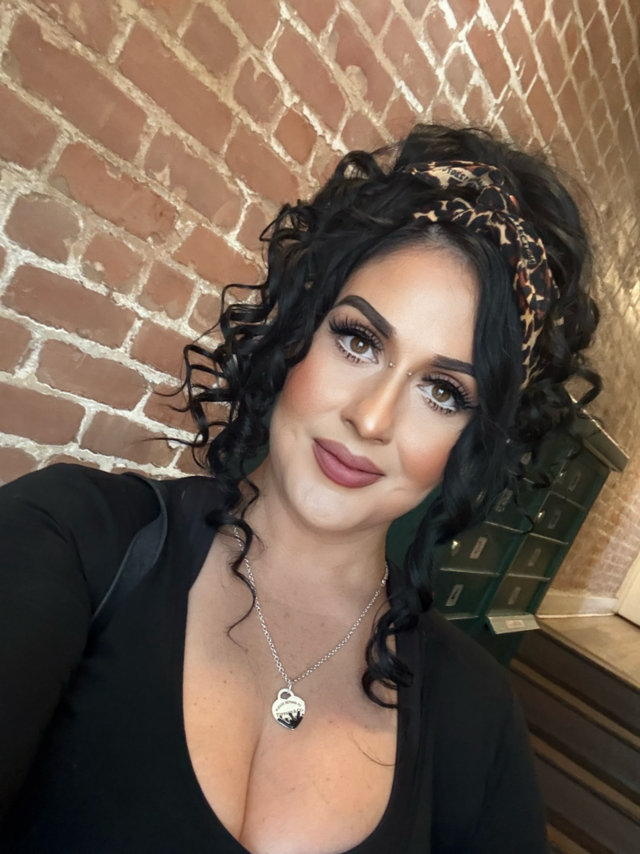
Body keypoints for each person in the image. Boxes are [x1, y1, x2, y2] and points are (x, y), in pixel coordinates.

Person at [0, 123, 601, 853]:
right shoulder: (73, 540)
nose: (370, 418)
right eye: (358, 340)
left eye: (443, 391)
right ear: (298, 330)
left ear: (472, 442)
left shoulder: (477, 720)